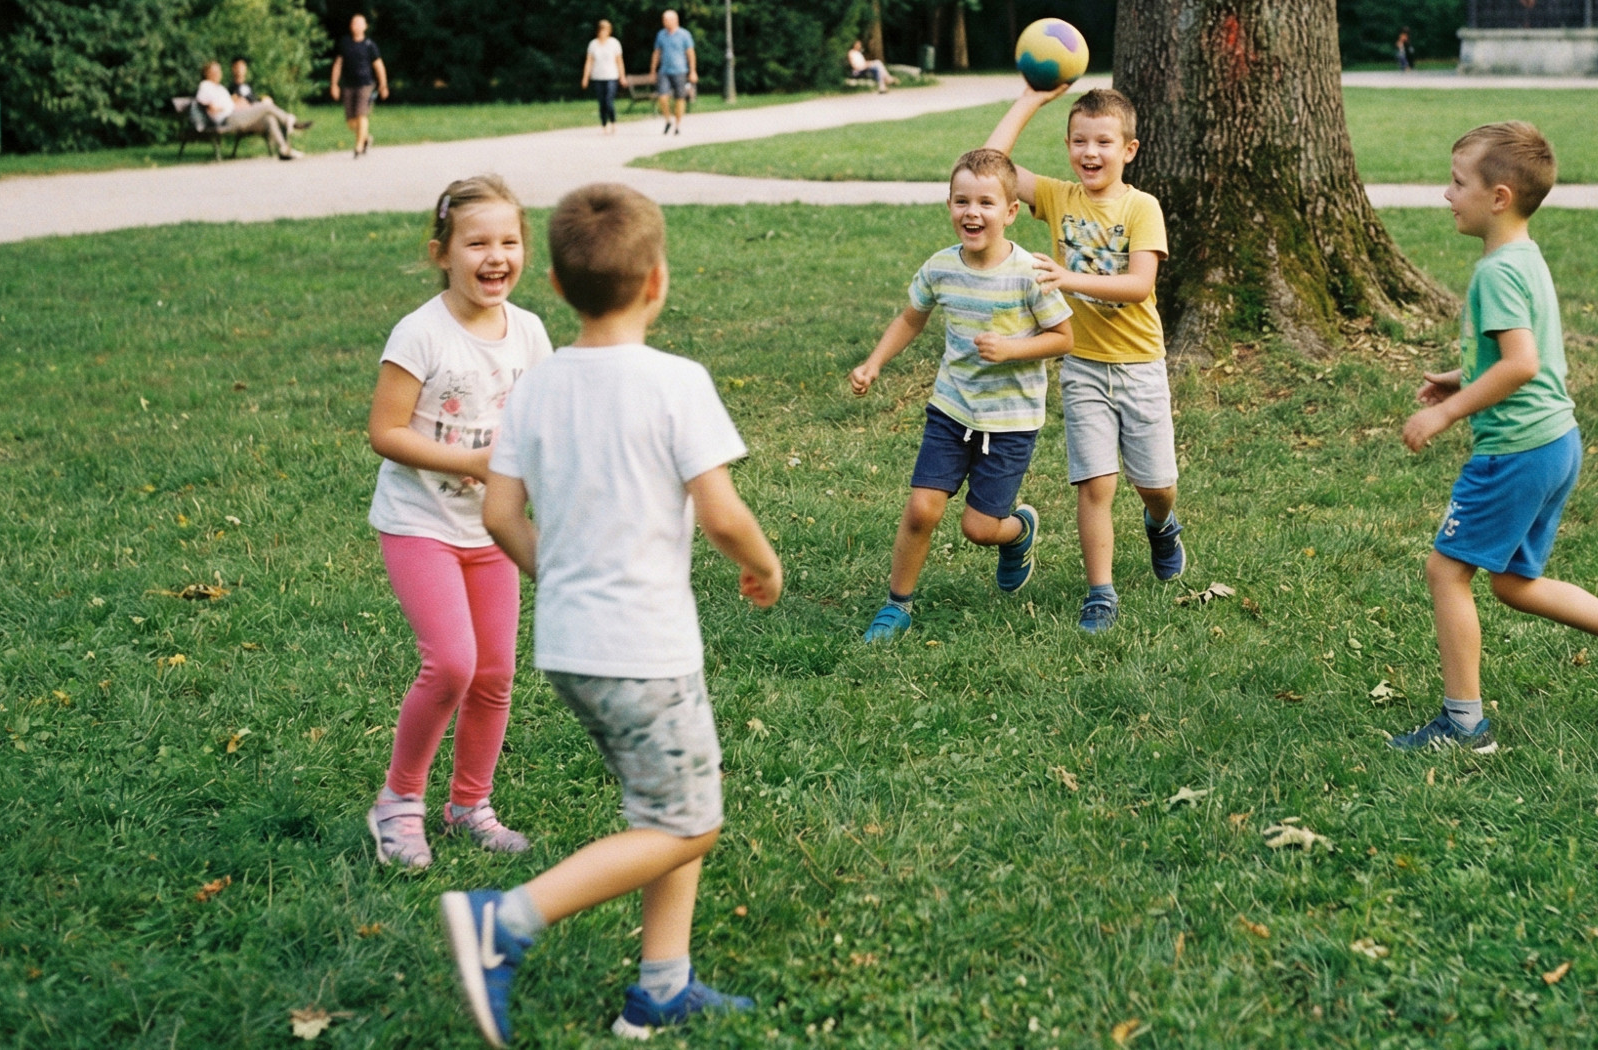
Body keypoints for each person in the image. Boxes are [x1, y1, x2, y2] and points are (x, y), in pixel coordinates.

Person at [450, 181, 781, 1045]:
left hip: (569, 646)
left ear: (557, 285)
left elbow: (499, 515)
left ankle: (661, 987)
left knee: (663, 808)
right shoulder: (676, 382)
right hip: (645, 649)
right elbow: (721, 514)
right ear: (658, 280)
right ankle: (505, 920)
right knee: (690, 823)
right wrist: (764, 565)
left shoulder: (536, 387)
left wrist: (557, 574)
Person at [1388, 121, 1598, 754]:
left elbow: (1522, 365)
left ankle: (1464, 724)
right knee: (1511, 583)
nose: (1447, 194)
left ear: (1499, 197)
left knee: (1446, 571)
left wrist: (1447, 415)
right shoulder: (1524, 256)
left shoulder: (1496, 274)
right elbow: (1526, 357)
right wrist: (1462, 378)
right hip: (1556, 442)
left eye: (1458, 183)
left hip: (1516, 450)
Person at [364, 176, 553, 870]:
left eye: (509, 241)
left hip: (491, 529)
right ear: (441, 252)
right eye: (477, 243)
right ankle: (398, 803)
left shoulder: (528, 332)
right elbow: (385, 432)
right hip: (420, 523)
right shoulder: (420, 334)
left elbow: (543, 424)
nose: (495, 256)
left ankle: (469, 805)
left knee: (495, 672)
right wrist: (469, 461)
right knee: (451, 664)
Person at [849, 149, 1075, 643]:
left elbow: (1063, 338)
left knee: (979, 528)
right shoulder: (940, 268)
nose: (972, 212)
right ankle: (897, 605)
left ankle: (1018, 531)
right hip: (951, 410)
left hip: (1010, 422)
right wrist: (874, 362)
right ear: (949, 204)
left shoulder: (1030, 273)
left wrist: (1013, 349)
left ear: (1010, 211)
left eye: (986, 203)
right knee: (922, 509)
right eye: (962, 201)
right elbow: (911, 318)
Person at [985, 87, 1188, 633]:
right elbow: (991, 167)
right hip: (1083, 366)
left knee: (1156, 485)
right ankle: (1101, 593)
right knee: (1095, 484)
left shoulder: (1141, 207)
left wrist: (1066, 277)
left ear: (1129, 149)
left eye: (1103, 142)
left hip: (1140, 365)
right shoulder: (1058, 197)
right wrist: (1030, 99)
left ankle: (1162, 524)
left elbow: (1139, 284)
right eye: (1079, 141)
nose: (1090, 152)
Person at [194, 60, 303, 160]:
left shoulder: (219, 88)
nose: (218, 73)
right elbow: (205, 103)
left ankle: (284, 149)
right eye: (214, 71)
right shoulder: (205, 86)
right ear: (207, 73)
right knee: (265, 106)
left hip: (235, 115)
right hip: (227, 119)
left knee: (268, 119)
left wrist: (238, 103)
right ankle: (288, 120)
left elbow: (230, 103)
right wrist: (217, 108)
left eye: (219, 71)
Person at [330, 13, 388, 157]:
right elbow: (338, 64)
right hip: (348, 85)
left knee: (362, 114)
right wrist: (334, 84)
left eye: (359, 23)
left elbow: (379, 66)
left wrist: (383, 85)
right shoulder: (345, 43)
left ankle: (359, 146)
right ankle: (365, 138)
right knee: (351, 122)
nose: (356, 26)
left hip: (365, 85)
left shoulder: (369, 45)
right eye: (354, 23)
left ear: (365, 26)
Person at [650, 10, 696, 135]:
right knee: (662, 97)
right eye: (664, 20)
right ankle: (668, 120)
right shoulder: (661, 35)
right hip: (664, 70)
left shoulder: (684, 35)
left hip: (680, 70)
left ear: (675, 20)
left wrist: (692, 71)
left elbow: (690, 53)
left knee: (680, 98)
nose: (664, 22)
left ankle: (678, 124)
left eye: (667, 20)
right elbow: (657, 53)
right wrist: (653, 70)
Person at [581, 19, 626, 134]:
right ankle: (604, 124)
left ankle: (613, 121)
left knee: (608, 101)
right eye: (601, 30)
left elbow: (619, 61)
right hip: (598, 77)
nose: (603, 32)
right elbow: (589, 62)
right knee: (601, 102)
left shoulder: (614, 43)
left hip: (611, 76)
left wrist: (622, 76)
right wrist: (585, 77)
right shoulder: (593, 44)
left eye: (605, 30)